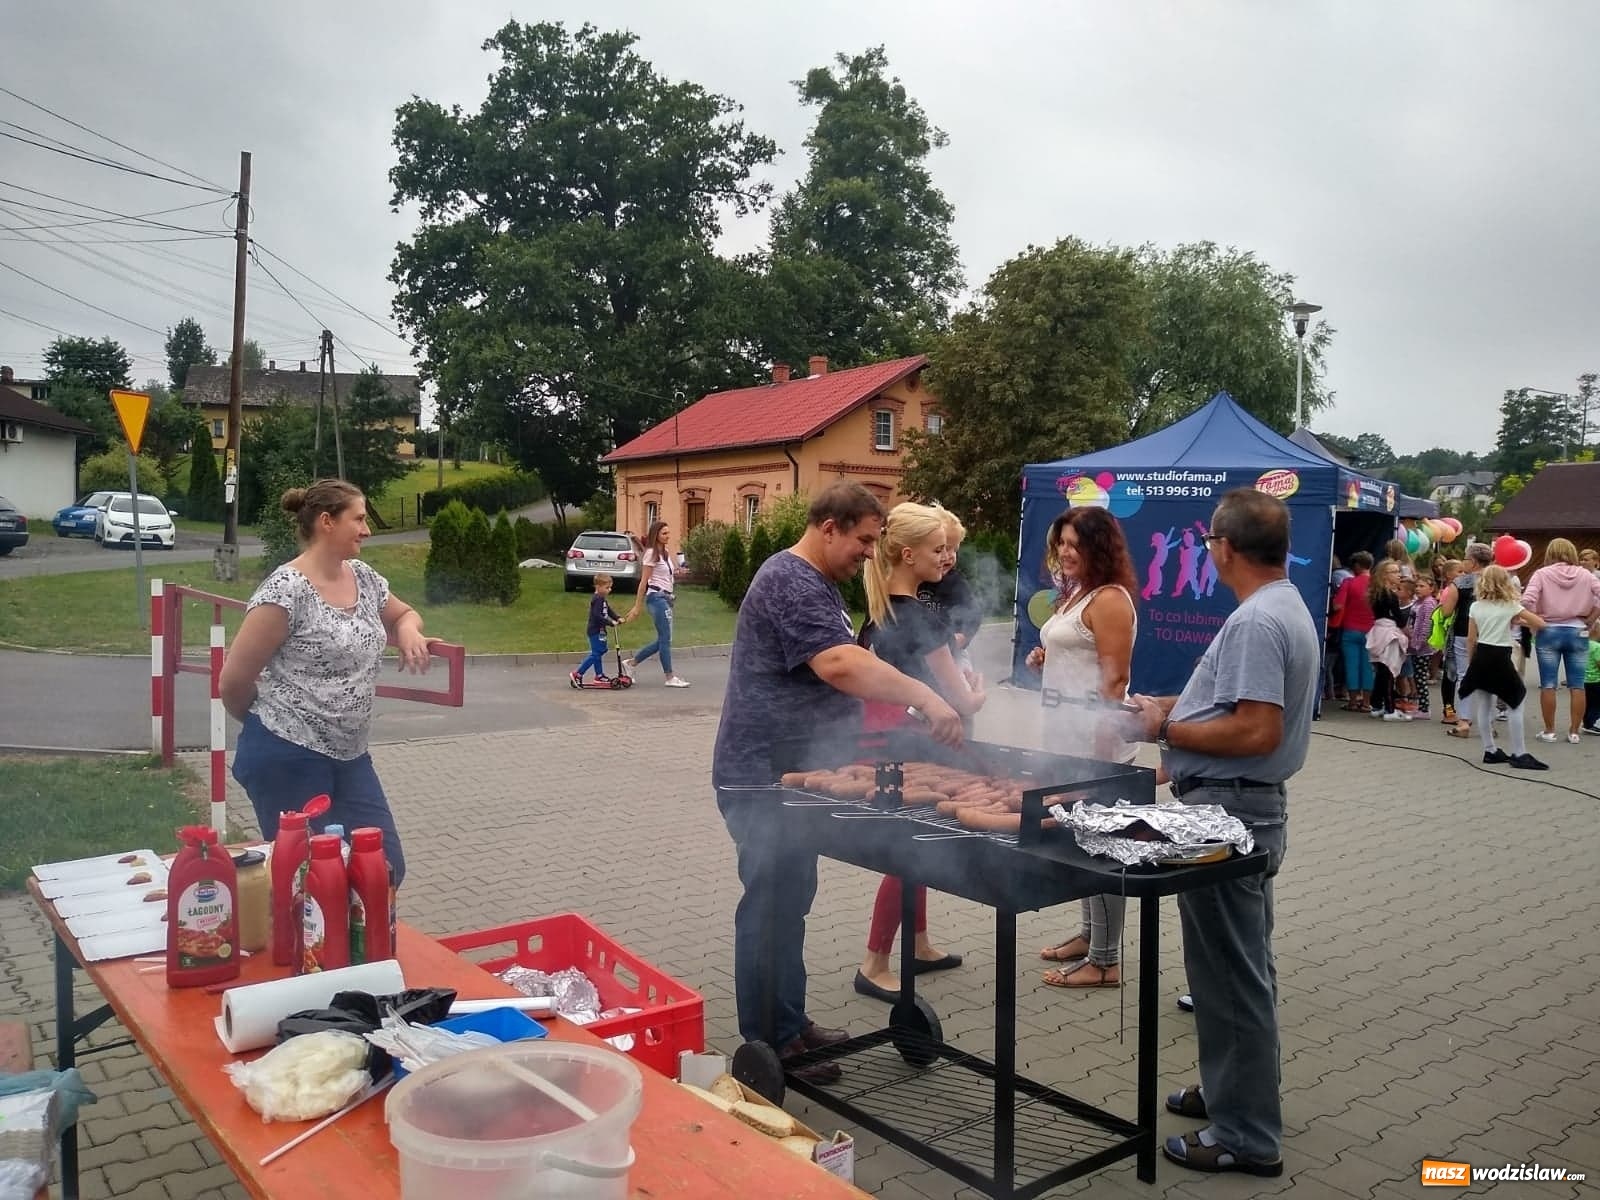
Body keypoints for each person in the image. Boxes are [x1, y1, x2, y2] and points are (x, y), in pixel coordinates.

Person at [713, 482, 963, 1084]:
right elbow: (839, 663)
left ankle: (790, 1026)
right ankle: (769, 1040)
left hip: (795, 776)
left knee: (790, 899)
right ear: (829, 527)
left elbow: (832, 680)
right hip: (761, 776)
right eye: (864, 540)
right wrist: (927, 697)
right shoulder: (791, 579)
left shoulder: (815, 583)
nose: (869, 555)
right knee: (771, 905)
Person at [1118, 488, 1319, 1178]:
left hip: (1231, 817)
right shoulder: (1278, 605)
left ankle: (1247, 1135)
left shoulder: (1258, 621)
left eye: (1208, 543)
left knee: (1231, 981)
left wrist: (1163, 729)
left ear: (1223, 548)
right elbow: (1231, 704)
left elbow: (1255, 728)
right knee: (1238, 968)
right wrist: (1170, 708)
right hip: (1241, 810)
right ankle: (1235, 1094)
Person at [221, 480, 433, 886]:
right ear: (326, 523)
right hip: (287, 755)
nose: (367, 529)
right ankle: (314, 950)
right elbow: (233, 683)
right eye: (358, 518)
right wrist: (270, 726)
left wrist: (408, 629)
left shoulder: (364, 577)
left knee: (384, 869)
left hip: (351, 756)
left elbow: (404, 613)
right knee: (310, 882)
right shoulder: (285, 591)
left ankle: (353, 948)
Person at [851, 503, 987, 1003]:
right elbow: (960, 700)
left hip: (882, 740)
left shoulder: (879, 610)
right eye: (938, 549)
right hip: (917, 744)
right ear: (908, 555)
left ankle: (920, 943)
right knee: (911, 847)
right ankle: (875, 963)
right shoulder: (923, 618)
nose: (947, 557)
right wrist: (978, 689)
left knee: (917, 839)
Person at [1025, 507, 1139, 989]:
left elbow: (1114, 681)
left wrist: (1097, 755)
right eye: (1062, 543)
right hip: (1063, 738)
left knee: (1104, 847)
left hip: (1096, 747)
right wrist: (1044, 660)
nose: (1065, 552)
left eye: (1075, 544)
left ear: (1099, 547)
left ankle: (1106, 961)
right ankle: (1090, 935)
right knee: (1081, 841)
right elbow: (1078, 656)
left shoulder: (1111, 599)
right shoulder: (1078, 594)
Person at [1460, 565, 1547, 769]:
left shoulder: (1476, 606)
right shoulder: (1511, 605)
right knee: (1516, 699)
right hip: (1501, 655)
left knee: (1484, 704)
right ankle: (1519, 752)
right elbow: (1540, 623)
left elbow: (1471, 638)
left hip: (1481, 654)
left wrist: (1472, 661)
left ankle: (1490, 750)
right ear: (1505, 582)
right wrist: (1520, 622)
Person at [1520, 538, 1600, 745]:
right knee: (1578, 684)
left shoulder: (1541, 574)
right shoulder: (1586, 574)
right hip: (1578, 631)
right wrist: (1591, 618)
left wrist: (1536, 619)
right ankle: (1574, 732)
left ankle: (1550, 731)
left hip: (1548, 631)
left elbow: (1527, 600)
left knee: (1548, 684)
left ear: (1550, 553)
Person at [916, 505, 984, 676]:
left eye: (954, 549)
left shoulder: (955, 582)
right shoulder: (912, 581)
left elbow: (973, 616)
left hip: (952, 653)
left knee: (960, 679)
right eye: (942, 549)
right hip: (918, 656)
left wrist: (957, 640)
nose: (948, 556)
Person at [624, 520, 690, 688]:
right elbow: (644, 581)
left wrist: (678, 572)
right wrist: (637, 606)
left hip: (666, 598)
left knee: (663, 639)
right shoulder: (651, 554)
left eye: (668, 533)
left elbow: (667, 574)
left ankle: (631, 663)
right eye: (664, 534)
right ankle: (670, 677)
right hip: (656, 598)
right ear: (656, 535)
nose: (668, 536)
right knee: (665, 640)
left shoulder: (665, 553)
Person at [1439, 542, 1494, 738]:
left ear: (1472, 561)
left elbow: (1446, 611)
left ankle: (1464, 721)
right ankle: (1488, 724)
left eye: (1465, 558)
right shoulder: (1499, 581)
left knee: (1464, 675)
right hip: (1492, 634)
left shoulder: (1460, 583)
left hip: (1464, 632)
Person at [1365, 560, 1411, 721]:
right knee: (1389, 671)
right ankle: (1390, 709)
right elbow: (1398, 618)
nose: (1399, 574)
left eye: (1398, 571)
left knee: (1381, 670)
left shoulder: (1375, 592)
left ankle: (1376, 705)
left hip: (1378, 630)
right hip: (1388, 632)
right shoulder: (1389, 595)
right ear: (1385, 575)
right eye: (1394, 572)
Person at [1329, 551, 1375, 711]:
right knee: (1368, 666)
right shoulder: (1376, 584)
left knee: (1351, 665)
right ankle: (1367, 702)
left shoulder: (1349, 583)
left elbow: (1337, 606)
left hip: (1350, 630)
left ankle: (1353, 701)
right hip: (1371, 631)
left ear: (1356, 566)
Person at [571, 574, 622, 687]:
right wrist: (610, 623)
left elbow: (608, 610)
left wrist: (617, 617)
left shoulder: (602, 599)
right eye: (607, 587)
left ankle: (599, 675)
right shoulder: (597, 599)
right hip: (595, 630)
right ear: (598, 587)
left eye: (610, 587)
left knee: (600, 651)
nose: (609, 590)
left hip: (600, 630)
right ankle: (578, 673)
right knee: (596, 653)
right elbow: (597, 616)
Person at [1407, 575, 1439, 717]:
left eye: (1422, 586)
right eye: (1417, 586)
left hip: (1422, 647)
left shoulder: (1428, 604)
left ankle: (1425, 709)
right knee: (1416, 676)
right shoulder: (1418, 602)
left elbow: (1427, 625)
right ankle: (1421, 706)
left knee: (1420, 677)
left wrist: (1419, 643)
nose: (1418, 589)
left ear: (1431, 588)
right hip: (1414, 644)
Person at [1583, 628, 1600, 736]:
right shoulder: (1597, 647)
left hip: (1583, 680)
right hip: (1596, 680)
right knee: (1596, 705)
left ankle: (1587, 723)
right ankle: (1594, 724)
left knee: (1587, 704)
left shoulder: (1582, 645)